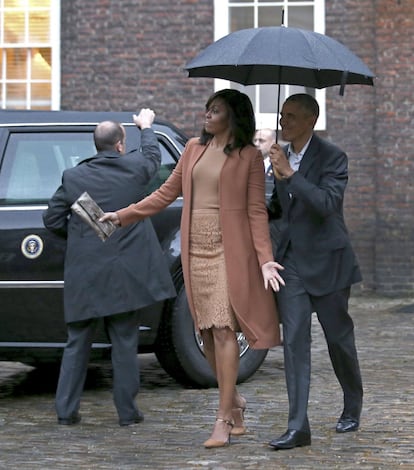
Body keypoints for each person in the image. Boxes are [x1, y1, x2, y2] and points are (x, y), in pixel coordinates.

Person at [100, 89, 285, 448]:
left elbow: (256, 212)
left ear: (232, 117)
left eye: (215, 110)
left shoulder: (248, 157)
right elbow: (164, 194)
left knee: (224, 329)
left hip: (227, 250)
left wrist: (264, 259)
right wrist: (122, 216)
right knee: (206, 332)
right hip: (194, 250)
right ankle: (235, 402)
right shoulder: (192, 150)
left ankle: (223, 418)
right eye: (207, 109)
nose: (207, 115)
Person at [43, 109, 176, 427]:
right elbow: (153, 155)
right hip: (125, 273)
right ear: (120, 144)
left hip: (85, 271)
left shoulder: (74, 177)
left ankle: (66, 411)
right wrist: (146, 127)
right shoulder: (135, 169)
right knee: (125, 343)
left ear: (96, 145)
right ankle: (128, 413)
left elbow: (51, 219)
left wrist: (81, 236)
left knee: (77, 343)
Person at [267, 93, 363, 450]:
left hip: (329, 262)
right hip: (291, 264)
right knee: (293, 342)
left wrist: (290, 175)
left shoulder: (333, 157)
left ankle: (353, 403)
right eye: (281, 115)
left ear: (311, 119)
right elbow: (277, 210)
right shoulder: (278, 156)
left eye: (290, 116)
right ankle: (298, 427)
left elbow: (326, 203)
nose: (283, 121)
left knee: (339, 340)